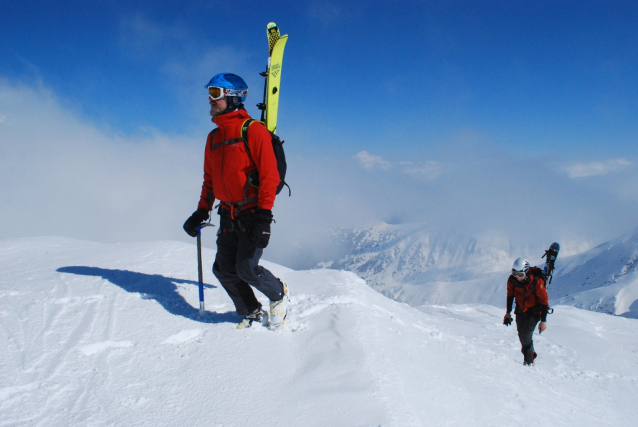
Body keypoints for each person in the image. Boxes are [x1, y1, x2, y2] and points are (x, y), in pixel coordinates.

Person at [182, 72, 288, 330]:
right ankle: (250, 311)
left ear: (233, 97)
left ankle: (278, 294)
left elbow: (269, 176)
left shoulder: (253, 130)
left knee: (247, 269)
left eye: (216, 93)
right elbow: (210, 179)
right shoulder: (213, 137)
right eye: (209, 93)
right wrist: (201, 212)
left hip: (252, 213)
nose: (210, 99)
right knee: (224, 269)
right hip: (227, 213)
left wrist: (264, 217)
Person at [503, 257, 549, 366]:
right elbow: (510, 295)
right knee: (521, 335)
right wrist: (508, 313)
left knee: (525, 336)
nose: (517, 277)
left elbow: (544, 301)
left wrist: (543, 320)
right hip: (520, 310)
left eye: (520, 274)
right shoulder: (512, 280)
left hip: (535, 311)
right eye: (515, 274)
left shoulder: (537, 281)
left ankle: (529, 362)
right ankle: (530, 355)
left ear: (526, 272)